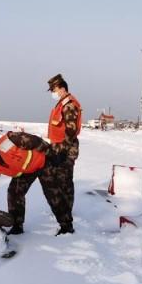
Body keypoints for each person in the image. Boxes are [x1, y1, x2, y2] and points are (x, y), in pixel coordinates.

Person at [0, 131, 73, 236]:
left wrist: (52, 155)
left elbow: (36, 141)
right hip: (26, 172)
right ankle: (17, 227)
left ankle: (66, 226)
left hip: (43, 163)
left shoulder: (10, 141)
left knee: (53, 194)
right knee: (14, 192)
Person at [46, 73, 82, 235]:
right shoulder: (61, 103)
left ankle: (67, 222)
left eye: (53, 90)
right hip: (59, 148)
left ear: (61, 88)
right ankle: (63, 212)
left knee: (65, 184)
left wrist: (63, 152)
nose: (52, 93)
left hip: (65, 150)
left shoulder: (68, 105)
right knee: (61, 183)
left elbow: (71, 131)